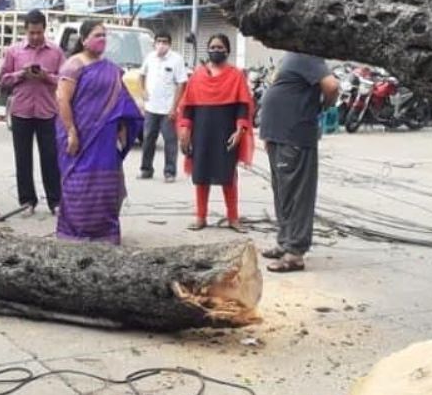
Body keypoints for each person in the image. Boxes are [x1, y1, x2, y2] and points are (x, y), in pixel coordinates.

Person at [56, 20, 143, 244]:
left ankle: (104, 234)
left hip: (104, 141)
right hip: (79, 136)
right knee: (78, 184)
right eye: (97, 35)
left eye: (104, 35)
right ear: (84, 39)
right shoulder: (73, 65)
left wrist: (122, 128)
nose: (102, 39)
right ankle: (74, 234)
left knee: (105, 187)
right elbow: (62, 99)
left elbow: (121, 102)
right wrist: (71, 132)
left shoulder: (111, 69)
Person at [259, 51, 339, 272]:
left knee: (297, 194)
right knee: (283, 192)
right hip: (277, 134)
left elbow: (331, 86)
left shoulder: (307, 55)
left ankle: (295, 252)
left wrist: (324, 105)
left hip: (294, 134)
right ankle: (285, 241)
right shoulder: (290, 56)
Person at [177, 34, 254, 233]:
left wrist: (240, 129)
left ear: (227, 51)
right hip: (201, 133)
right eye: (212, 47)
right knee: (201, 175)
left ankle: (233, 218)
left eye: (220, 47)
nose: (216, 51)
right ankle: (200, 217)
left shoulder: (236, 75)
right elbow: (188, 108)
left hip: (226, 132)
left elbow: (243, 106)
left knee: (228, 176)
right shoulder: (197, 76)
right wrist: (185, 130)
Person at [0, 9, 64, 215]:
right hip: (21, 112)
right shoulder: (14, 51)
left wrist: (46, 76)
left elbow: (64, 80)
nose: (35, 37)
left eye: (39, 32)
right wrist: (21, 74)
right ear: (25, 30)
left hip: (48, 112)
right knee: (23, 158)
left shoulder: (56, 52)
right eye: (31, 33)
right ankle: (27, 201)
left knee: (50, 158)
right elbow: (2, 79)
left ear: (45, 30)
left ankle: (55, 201)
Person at [138, 31, 188, 182]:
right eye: (159, 41)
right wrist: (143, 91)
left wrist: (174, 107)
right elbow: (141, 75)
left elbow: (181, 83)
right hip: (151, 108)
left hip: (168, 109)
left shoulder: (176, 60)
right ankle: (146, 169)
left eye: (165, 42)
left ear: (170, 44)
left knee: (170, 141)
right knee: (148, 139)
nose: (161, 44)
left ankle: (170, 172)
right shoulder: (150, 57)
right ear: (154, 43)